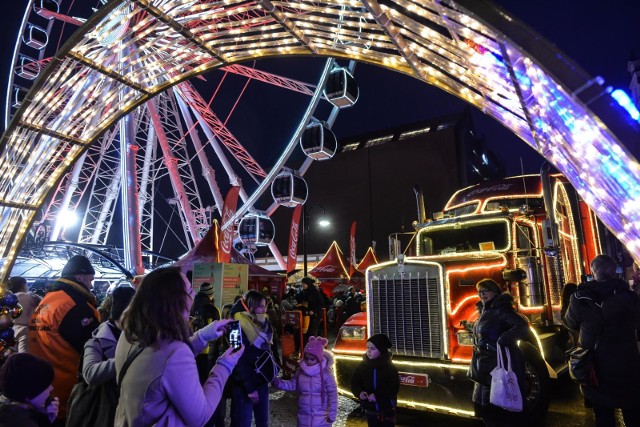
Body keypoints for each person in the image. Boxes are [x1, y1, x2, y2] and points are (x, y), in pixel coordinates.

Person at [114, 267, 244, 427]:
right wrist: (224, 365)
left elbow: (163, 365)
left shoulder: (129, 334)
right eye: (190, 291)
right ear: (174, 301)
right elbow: (200, 415)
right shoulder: (175, 353)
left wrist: (203, 335)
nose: (194, 295)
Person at [563, 255, 640, 427]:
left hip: (595, 363)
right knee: (633, 411)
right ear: (614, 271)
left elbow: (569, 323)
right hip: (627, 359)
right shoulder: (628, 296)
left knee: (603, 414)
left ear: (593, 271)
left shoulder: (580, 297)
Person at [28, 255, 101, 424]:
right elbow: (94, 347)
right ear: (80, 277)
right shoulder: (73, 305)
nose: (91, 285)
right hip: (69, 394)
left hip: (46, 390)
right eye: (91, 280)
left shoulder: (48, 301)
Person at [66, 286, 135, 427]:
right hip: (104, 410)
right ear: (124, 314)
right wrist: (129, 359)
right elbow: (91, 373)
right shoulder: (96, 340)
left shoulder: (137, 336)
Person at [467, 278, 528, 427]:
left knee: (497, 409)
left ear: (495, 291)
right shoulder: (484, 310)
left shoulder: (501, 308)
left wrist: (503, 339)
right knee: (485, 410)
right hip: (484, 366)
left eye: (486, 290)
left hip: (496, 365)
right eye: (479, 292)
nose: (482, 294)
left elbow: (521, 326)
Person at [229, 290, 277, 427]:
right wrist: (250, 388)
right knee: (242, 423)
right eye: (260, 306)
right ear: (250, 306)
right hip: (242, 385)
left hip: (261, 381)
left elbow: (270, 351)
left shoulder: (265, 323)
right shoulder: (234, 325)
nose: (263, 310)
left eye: (265, 306)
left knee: (263, 422)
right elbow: (237, 359)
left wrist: (273, 372)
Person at [273, 336, 337, 426]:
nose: (309, 361)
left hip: (322, 420)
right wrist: (279, 383)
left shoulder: (326, 374)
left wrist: (332, 414)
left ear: (319, 358)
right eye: (306, 358)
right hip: (303, 419)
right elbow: (293, 384)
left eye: (312, 359)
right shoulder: (301, 371)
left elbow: (333, 395)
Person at [350, 334, 400, 427]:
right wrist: (359, 393)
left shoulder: (390, 368)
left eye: (372, 349)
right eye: (367, 348)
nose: (368, 351)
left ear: (381, 350)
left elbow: (393, 388)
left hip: (387, 408)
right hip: (370, 409)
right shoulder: (362, 366)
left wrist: (377, 396)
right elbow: (355, 383)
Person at [0, 352, 60, 426]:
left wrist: (46, 420)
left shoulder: (12, 417)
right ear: (30, 391)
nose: (51, 388)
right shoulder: (22, 423)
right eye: (46, 386)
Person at [191, 282, 221, 384]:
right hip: (207, 351)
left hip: (191, 347)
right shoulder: (214, 310)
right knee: (205, 381)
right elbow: (218, 330)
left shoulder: (191, 307)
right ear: (210, 294)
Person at [8, 276, 41, 353]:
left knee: (12, 353)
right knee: (24, 354)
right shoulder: (31, 297)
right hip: (25, 329)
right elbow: (44, 302)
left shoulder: (8, 298)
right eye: (26, 284)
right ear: (23, 285)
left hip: (11, 329)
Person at [299, 277, 324, 344]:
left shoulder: (314, 291)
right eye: (302, 284)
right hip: (307, 315)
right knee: (306, 333)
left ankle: (313, 349)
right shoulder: (305, 292)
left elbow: (321, 303)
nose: (303, 285)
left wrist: (314, 311)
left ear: (308, 284)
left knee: (311, 333)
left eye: (304, 284)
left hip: (314, 316)